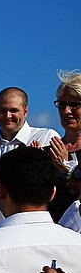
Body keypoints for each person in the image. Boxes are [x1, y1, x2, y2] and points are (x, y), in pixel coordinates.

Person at [0, 87, 60, 232]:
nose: (7, 115)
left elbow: (45, 183)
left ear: (25, 111)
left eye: (13, 110)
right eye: (2, 110)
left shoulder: (45, 137)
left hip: (31, 231)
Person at [47, 71, 81, 223]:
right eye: (62, 104)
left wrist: (67, 167)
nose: (67, 111)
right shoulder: (49, 152)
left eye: (74, 105)